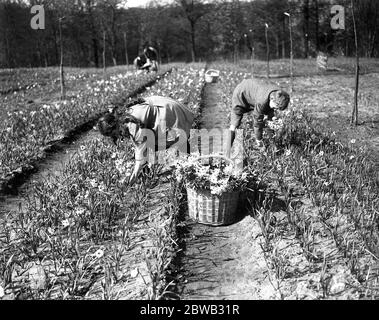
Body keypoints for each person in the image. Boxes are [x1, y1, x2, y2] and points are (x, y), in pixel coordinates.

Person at [98, 96, 195, 185]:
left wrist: (133, 177)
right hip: (165, 105)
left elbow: (141, 151)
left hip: (169, 113)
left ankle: (192, 165)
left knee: (173, 139)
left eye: (113, 134)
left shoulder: (132, 126)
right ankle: (191, 162)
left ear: (113, 127)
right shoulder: (124, 115)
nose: (116, 136)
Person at [228, 78, 290, 155]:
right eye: (275, 108)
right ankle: (226, 150)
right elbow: (257, 122)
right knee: (234, 124)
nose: (275, 109)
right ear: (272, 99)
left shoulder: (279, 93)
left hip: (254, 89)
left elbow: (270, 110)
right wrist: (259, 139)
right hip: (241, 94)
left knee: (270, 120)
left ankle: (273, 146)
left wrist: (272, 118)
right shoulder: (262, 102)